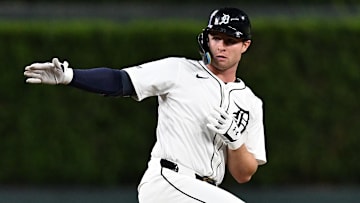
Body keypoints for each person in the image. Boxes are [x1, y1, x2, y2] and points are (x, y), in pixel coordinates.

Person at [24, 7, 267, 203]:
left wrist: (235, 141)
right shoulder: (179, 70)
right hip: (169, 182)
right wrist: (71, 76)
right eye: (216, 38)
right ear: (206, 39)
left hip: (202, 192)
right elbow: (121, 80)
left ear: (245, 45)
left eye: (230, 40)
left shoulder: (251, 103)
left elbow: (243, 173)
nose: (221, 46)